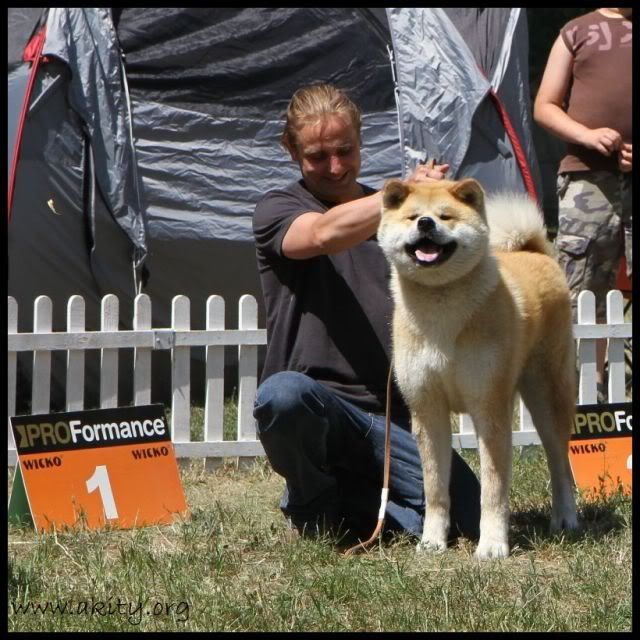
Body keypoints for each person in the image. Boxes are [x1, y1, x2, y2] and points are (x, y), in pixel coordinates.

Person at [252, 83, 481, 545]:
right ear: (290, 149)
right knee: (282, 397)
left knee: (467, 516)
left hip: (392, 417)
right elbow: (322, 235)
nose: (335, 167)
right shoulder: (277, 208)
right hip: (318, 407)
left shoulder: (406, 223)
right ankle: (313, 507)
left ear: (361, 141)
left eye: (345, 150)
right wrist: (404, 196)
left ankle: (351, 504)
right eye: (317, 156)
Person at [533, 8, 632, 401]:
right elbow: (545, 105)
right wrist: (587, 136)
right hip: (586, 179)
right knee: (584, 285)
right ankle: (588, 389)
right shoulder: (576, 31)